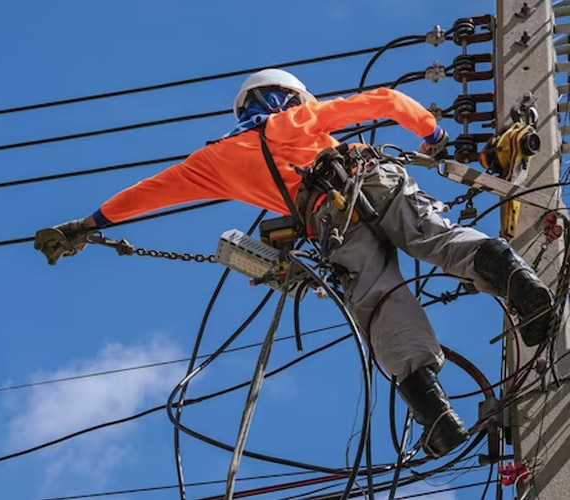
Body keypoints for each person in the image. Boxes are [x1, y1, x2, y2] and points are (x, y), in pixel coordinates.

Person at [35, 69, 555, 458]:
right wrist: (434, 136)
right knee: (439, 239)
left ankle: (435, 413)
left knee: (379, 302)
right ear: (287, 98)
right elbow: (386, 100)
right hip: (370, 180)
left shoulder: (214, 161)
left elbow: (149, 194)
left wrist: (86, 226)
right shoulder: (297, 119)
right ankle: (523, 289)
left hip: (329, 218)